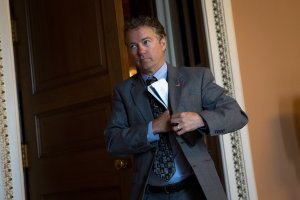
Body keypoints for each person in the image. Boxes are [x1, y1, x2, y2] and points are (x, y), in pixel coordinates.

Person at [104, 16, 248, 200]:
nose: (140, 51)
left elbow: (236, 114)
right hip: (150, 194)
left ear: (163, 43)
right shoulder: (123, 92)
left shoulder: (197, 78)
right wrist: (153, 128)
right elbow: (112, 142)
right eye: (132, 46)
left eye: (146, 42)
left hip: (195, 190)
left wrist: (200, 119)